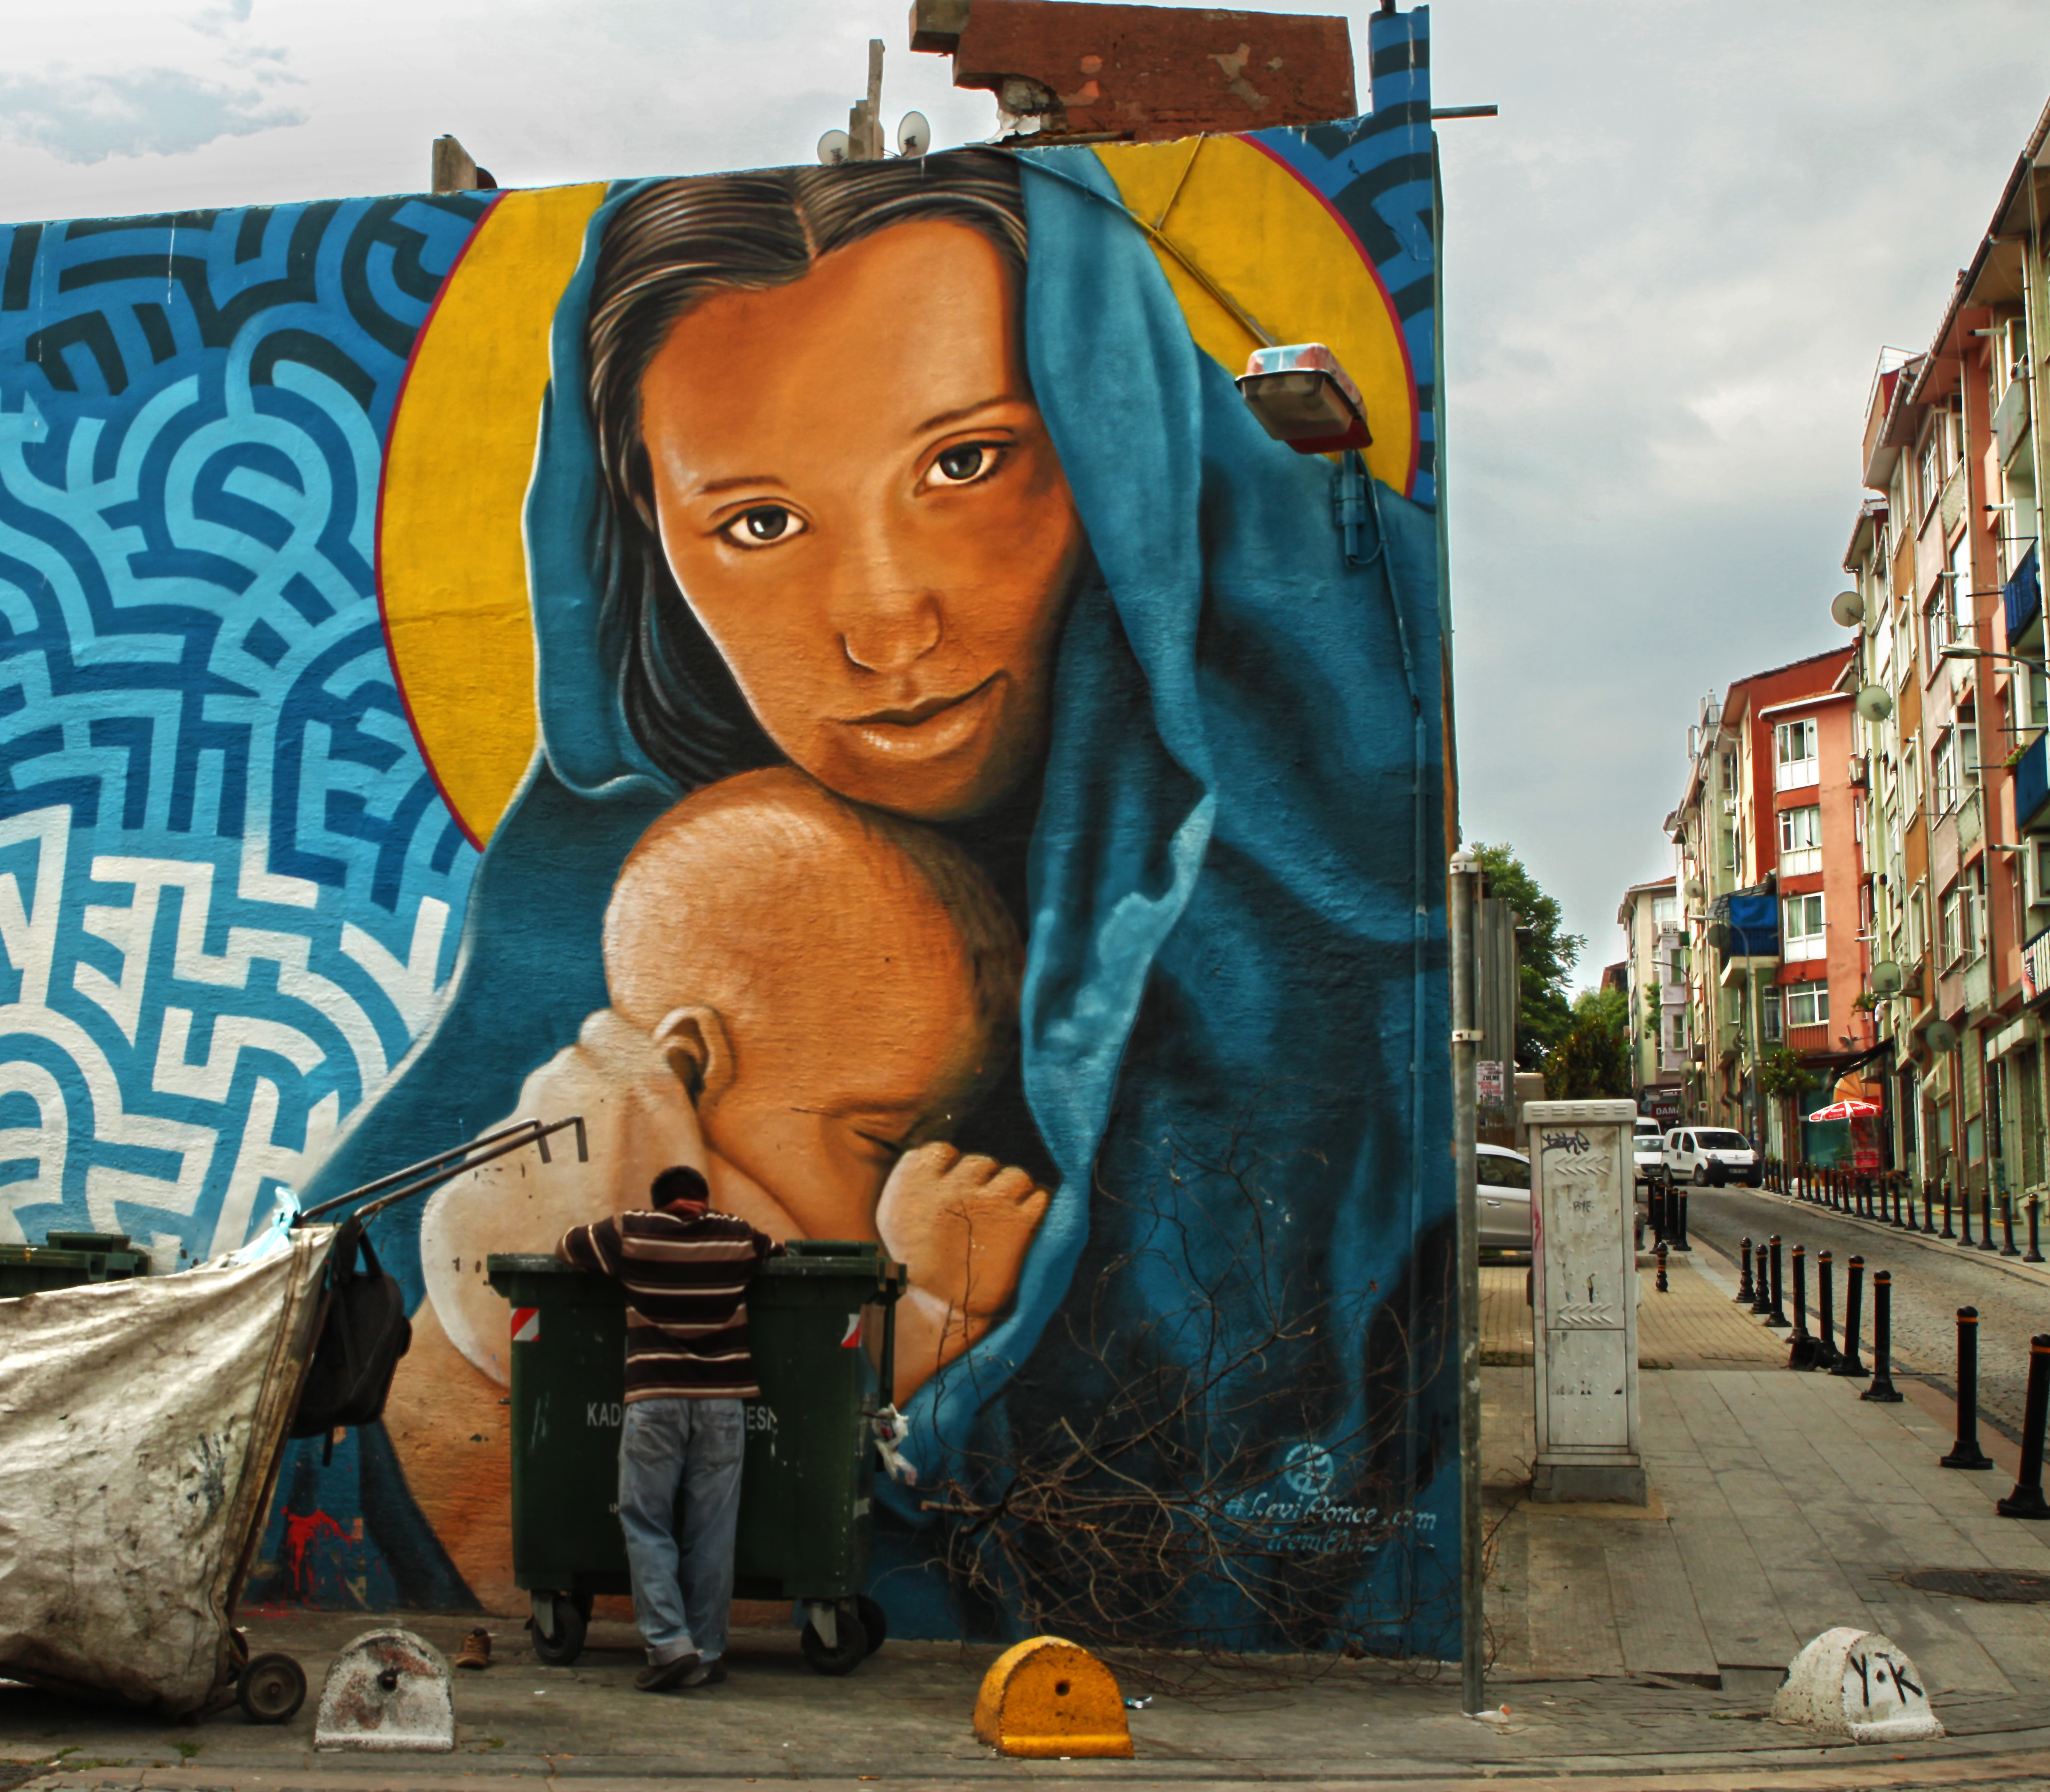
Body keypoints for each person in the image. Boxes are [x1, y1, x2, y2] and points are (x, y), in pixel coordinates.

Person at [308, 149, 1447, 1647]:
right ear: (644, 542)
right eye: (759, 524)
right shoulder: (622, 900)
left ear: (1114, 448)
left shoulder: (1312, 797)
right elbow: (371, 1379)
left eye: (964, 463)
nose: (885, 623)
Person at [392, 767, 1042, 1588]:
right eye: (879, 1140)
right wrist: (932, 1307)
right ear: (692, 1068)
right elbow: (806, 1397)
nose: (915, 1180)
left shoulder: (699, 1181)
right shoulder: (586, 1146)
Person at [560, 1164, 779, 1690]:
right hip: (723, 1403)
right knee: (712, 1531)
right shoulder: (740, 1235)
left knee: (646, 1521)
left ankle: (668, 1645)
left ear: (660, 1202)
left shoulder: (630, 1233)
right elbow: (780, 1255)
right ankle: (706, 1650)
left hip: (655, 1398)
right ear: (703, 1200)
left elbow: (568, 1247)